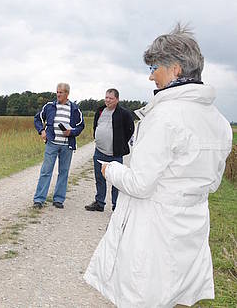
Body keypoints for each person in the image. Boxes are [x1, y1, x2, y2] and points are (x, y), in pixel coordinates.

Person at [84, 24, 232, 307]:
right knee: (177, 296)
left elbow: (140, 184)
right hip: (192, 227)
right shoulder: (219, 122)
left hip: (153, 230)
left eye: (154, 67)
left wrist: (110, 170)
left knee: (145, 296)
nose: (151, 75)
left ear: (175, 69)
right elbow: (212, 184)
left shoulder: (163, 116)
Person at [33, 83, 85, 209]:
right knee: (46, 171)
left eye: (61, 92)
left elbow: (80, 125)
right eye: (57, 92)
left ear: (67, 94)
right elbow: (37, 119)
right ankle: (39, 200)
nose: (58, 94)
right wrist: (42, 131)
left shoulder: (75, 109)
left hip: (67, 146)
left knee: (63, 172)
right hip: (52, 143)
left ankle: (58, 200)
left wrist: (71, 132)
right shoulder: (49, 106)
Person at [84, 88, 134, 212]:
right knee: (99, 178)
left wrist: (120, 143)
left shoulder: (124, 113)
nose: (107, 100)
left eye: (110, 98)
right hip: (99, 151)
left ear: (117, 99)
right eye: (106, 97)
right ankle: (99, 203)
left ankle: (116, 206)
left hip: (115, 154)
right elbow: (96, 125)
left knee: (115, 180)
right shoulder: (100, 110)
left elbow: (130, 129)